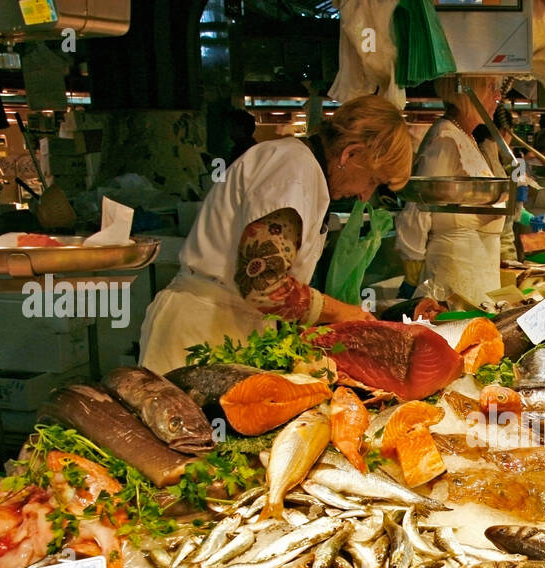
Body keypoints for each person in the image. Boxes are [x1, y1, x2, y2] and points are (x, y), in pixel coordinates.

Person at [137, 95, 412, 374]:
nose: (365, 196)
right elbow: (262, 285)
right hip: (199, 334)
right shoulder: (293, 169)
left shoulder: (305, 171)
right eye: (372, 180)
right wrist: (343, 312)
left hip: (230, 330)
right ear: (350, 153)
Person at [396, 75, 506, 309]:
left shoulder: (467, 138)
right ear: (467, 92)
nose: (498, 97)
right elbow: (419, 206)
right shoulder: (445, 138)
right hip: (453, 284)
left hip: (479, 281)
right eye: (491, 87)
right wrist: (412, 264)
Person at [474, 105, 519, 264]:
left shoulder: (507, 159)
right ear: (505, 131)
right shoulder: (485, 155)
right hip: (494, 247)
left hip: (500, 243)